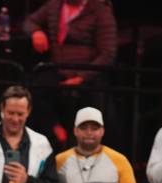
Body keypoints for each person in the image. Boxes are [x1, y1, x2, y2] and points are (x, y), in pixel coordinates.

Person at [24, 0, 117, 148]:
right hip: (57, 68)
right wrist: (36, 31)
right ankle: (55, 132)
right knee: (33, 90)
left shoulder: (100, 10)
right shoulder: (55, 5)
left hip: (86, 73)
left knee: (90, 101)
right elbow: (30, 21)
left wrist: (82, 77)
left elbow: (107, 53)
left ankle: (79, 145)